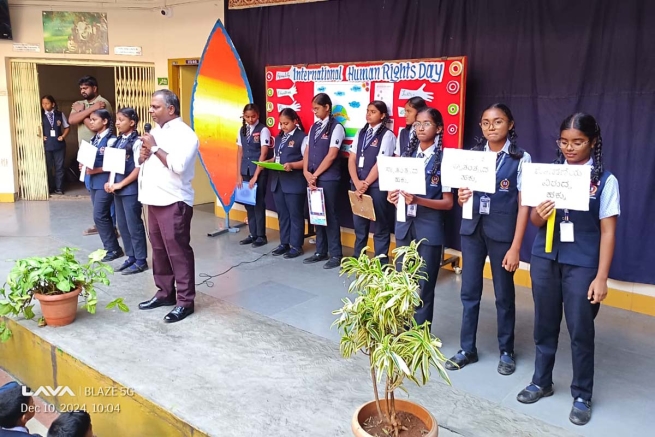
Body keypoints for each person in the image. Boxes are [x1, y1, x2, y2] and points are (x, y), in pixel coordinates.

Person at [517, 113, 619, 426]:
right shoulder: (547, 174)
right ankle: (541, 381)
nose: (569, 148)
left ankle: (582, 394)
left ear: (593, 142)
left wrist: (601, 277)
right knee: (544, 324)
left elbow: (608, 232)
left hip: (583, 263)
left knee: (580, 330)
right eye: (564, 142)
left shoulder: (605, 181)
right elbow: (535, 221)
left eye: (577, 142)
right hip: (546, 258)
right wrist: (538, 213)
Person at [446, 104, 532, 376]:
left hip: (502, 235)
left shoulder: (521, 158)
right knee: (469, 291)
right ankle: (466, 348)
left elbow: (524, 204)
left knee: (503, 294)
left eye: (497, 121)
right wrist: (461, 197)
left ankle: (506, 350)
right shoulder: (471, 156)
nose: (490, 127)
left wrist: (516, 246)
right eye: (485, 122)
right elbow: (463, 193)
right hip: (472, 231)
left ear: (511, 124)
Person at [387, 107, 454, 326]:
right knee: (402, 279)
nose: (421, 128)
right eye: (417, 124)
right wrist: (392, 195)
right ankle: (401, 326)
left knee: (424, 283)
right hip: (405, 225)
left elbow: (448, 202)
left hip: (429, 227)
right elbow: (396, 189)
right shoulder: (407, 156)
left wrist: (418, 200)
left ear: (439, 128)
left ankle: (419, 333)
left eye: (426, 124)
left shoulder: (444, 159)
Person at [137, 90, 199, 323]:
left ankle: (185, 301)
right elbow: (143, 162)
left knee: (178, 252)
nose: (151, 111)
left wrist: (153, 148)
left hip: (174, 200)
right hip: (153, 199)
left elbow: (178, 165)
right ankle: (165, 293)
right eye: (151, 107)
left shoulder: (186, 135)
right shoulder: (155, 132)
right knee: (159, 250)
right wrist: (143, 154)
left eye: (156, 107)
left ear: (170, 109)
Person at [302, 93, 345, 270]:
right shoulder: (314, 127)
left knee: (331, 216)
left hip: (328, 178)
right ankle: (321, 251)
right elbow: (307, 150)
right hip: (312, 177)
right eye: (313, 109)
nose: (315, 112)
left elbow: (332, 154)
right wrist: (306, 172)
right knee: (317, 215)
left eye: (317, 108)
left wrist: (316, 174)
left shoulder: (336, 128)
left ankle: (336, 254)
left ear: (327, 107)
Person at [348, 100, 396, 259]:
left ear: (382, 115)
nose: (368, 114)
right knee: (359, 224)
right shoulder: (361, 132)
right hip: (357, 184)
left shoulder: (387, 135)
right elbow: (352, 157)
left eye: (373, 111)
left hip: (376, 186)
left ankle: (380, 262)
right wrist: (356, 182)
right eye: (367, 111)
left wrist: (366, 183)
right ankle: (358, 258)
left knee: (380, 225)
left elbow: (381, 162)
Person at [104, 108, 148, 275]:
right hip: (117, 189)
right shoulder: (116, 141)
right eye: (117, 119)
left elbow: (138, 168)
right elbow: (112, 166)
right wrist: (110, 182)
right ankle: (130, 256)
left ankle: (140, 260)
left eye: (121, 120)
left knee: (134, 224)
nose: (117, 123)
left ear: (132, 122)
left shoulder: (137, 142)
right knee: (122, 225)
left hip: (130, 190)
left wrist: (121, 184)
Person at [69, 76, 114, 236]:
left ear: (95, 88)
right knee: (92, 188)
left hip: (100, 151)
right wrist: (86, 110)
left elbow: (97, 126)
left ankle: (110, 225)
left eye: (86, 88)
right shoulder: (81, 104)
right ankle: (100, 222)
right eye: (81, 88)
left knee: (105, 189)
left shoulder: (102, 103)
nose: (83, 91)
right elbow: (72, 120)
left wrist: (82, 111)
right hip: (86, 153)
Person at [82, 109, 123, 262]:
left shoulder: (112, 140)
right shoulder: (94, 139)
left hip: (104, 182)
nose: (91, 122)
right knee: (101, 215)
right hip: (94, 182)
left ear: (105, 121)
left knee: (99, 215)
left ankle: (113, 248)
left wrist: (94, 170)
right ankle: (109, 247)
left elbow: (114, 164)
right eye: (90, 120)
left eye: (94, 119)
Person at [267, 108, 307, 259]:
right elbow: (277, 158)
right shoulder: (279, 138)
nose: (283, 126)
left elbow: (306, 161)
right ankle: (284, 243)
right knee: (282, 214)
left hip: (294, 183)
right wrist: (266, 162)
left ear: (295, 121)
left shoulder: (302, 138)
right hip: (278, 182)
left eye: (286, 123)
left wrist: (292, 165)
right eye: (281, 124)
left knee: (295, 215)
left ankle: (296, 246)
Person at [236, 103, 271, 247]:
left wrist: (256, 175)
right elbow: (240, 152)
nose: (250, 119)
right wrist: (238, 174)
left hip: (258, 172)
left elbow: (263, 153)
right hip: (245, 171)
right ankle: (253, 233)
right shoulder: (242, 130)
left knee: (258, 203)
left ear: (258, 115)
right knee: (248, 204)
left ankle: (261, 236)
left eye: (253, 116)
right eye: (247, 117)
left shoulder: (263, 130)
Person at [41, 95, 70, 195]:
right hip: (46, 145)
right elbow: (34, 129)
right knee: (48, 167)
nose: (44, 105)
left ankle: (59, 188)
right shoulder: (40, 115)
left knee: (59, 167)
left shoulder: (59, 114)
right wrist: (41, 136)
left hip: (59, 145)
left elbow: (67, 127)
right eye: (43, 103)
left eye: (47, 103)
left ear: (53, 104)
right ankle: (50, 187)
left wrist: (63, 136)